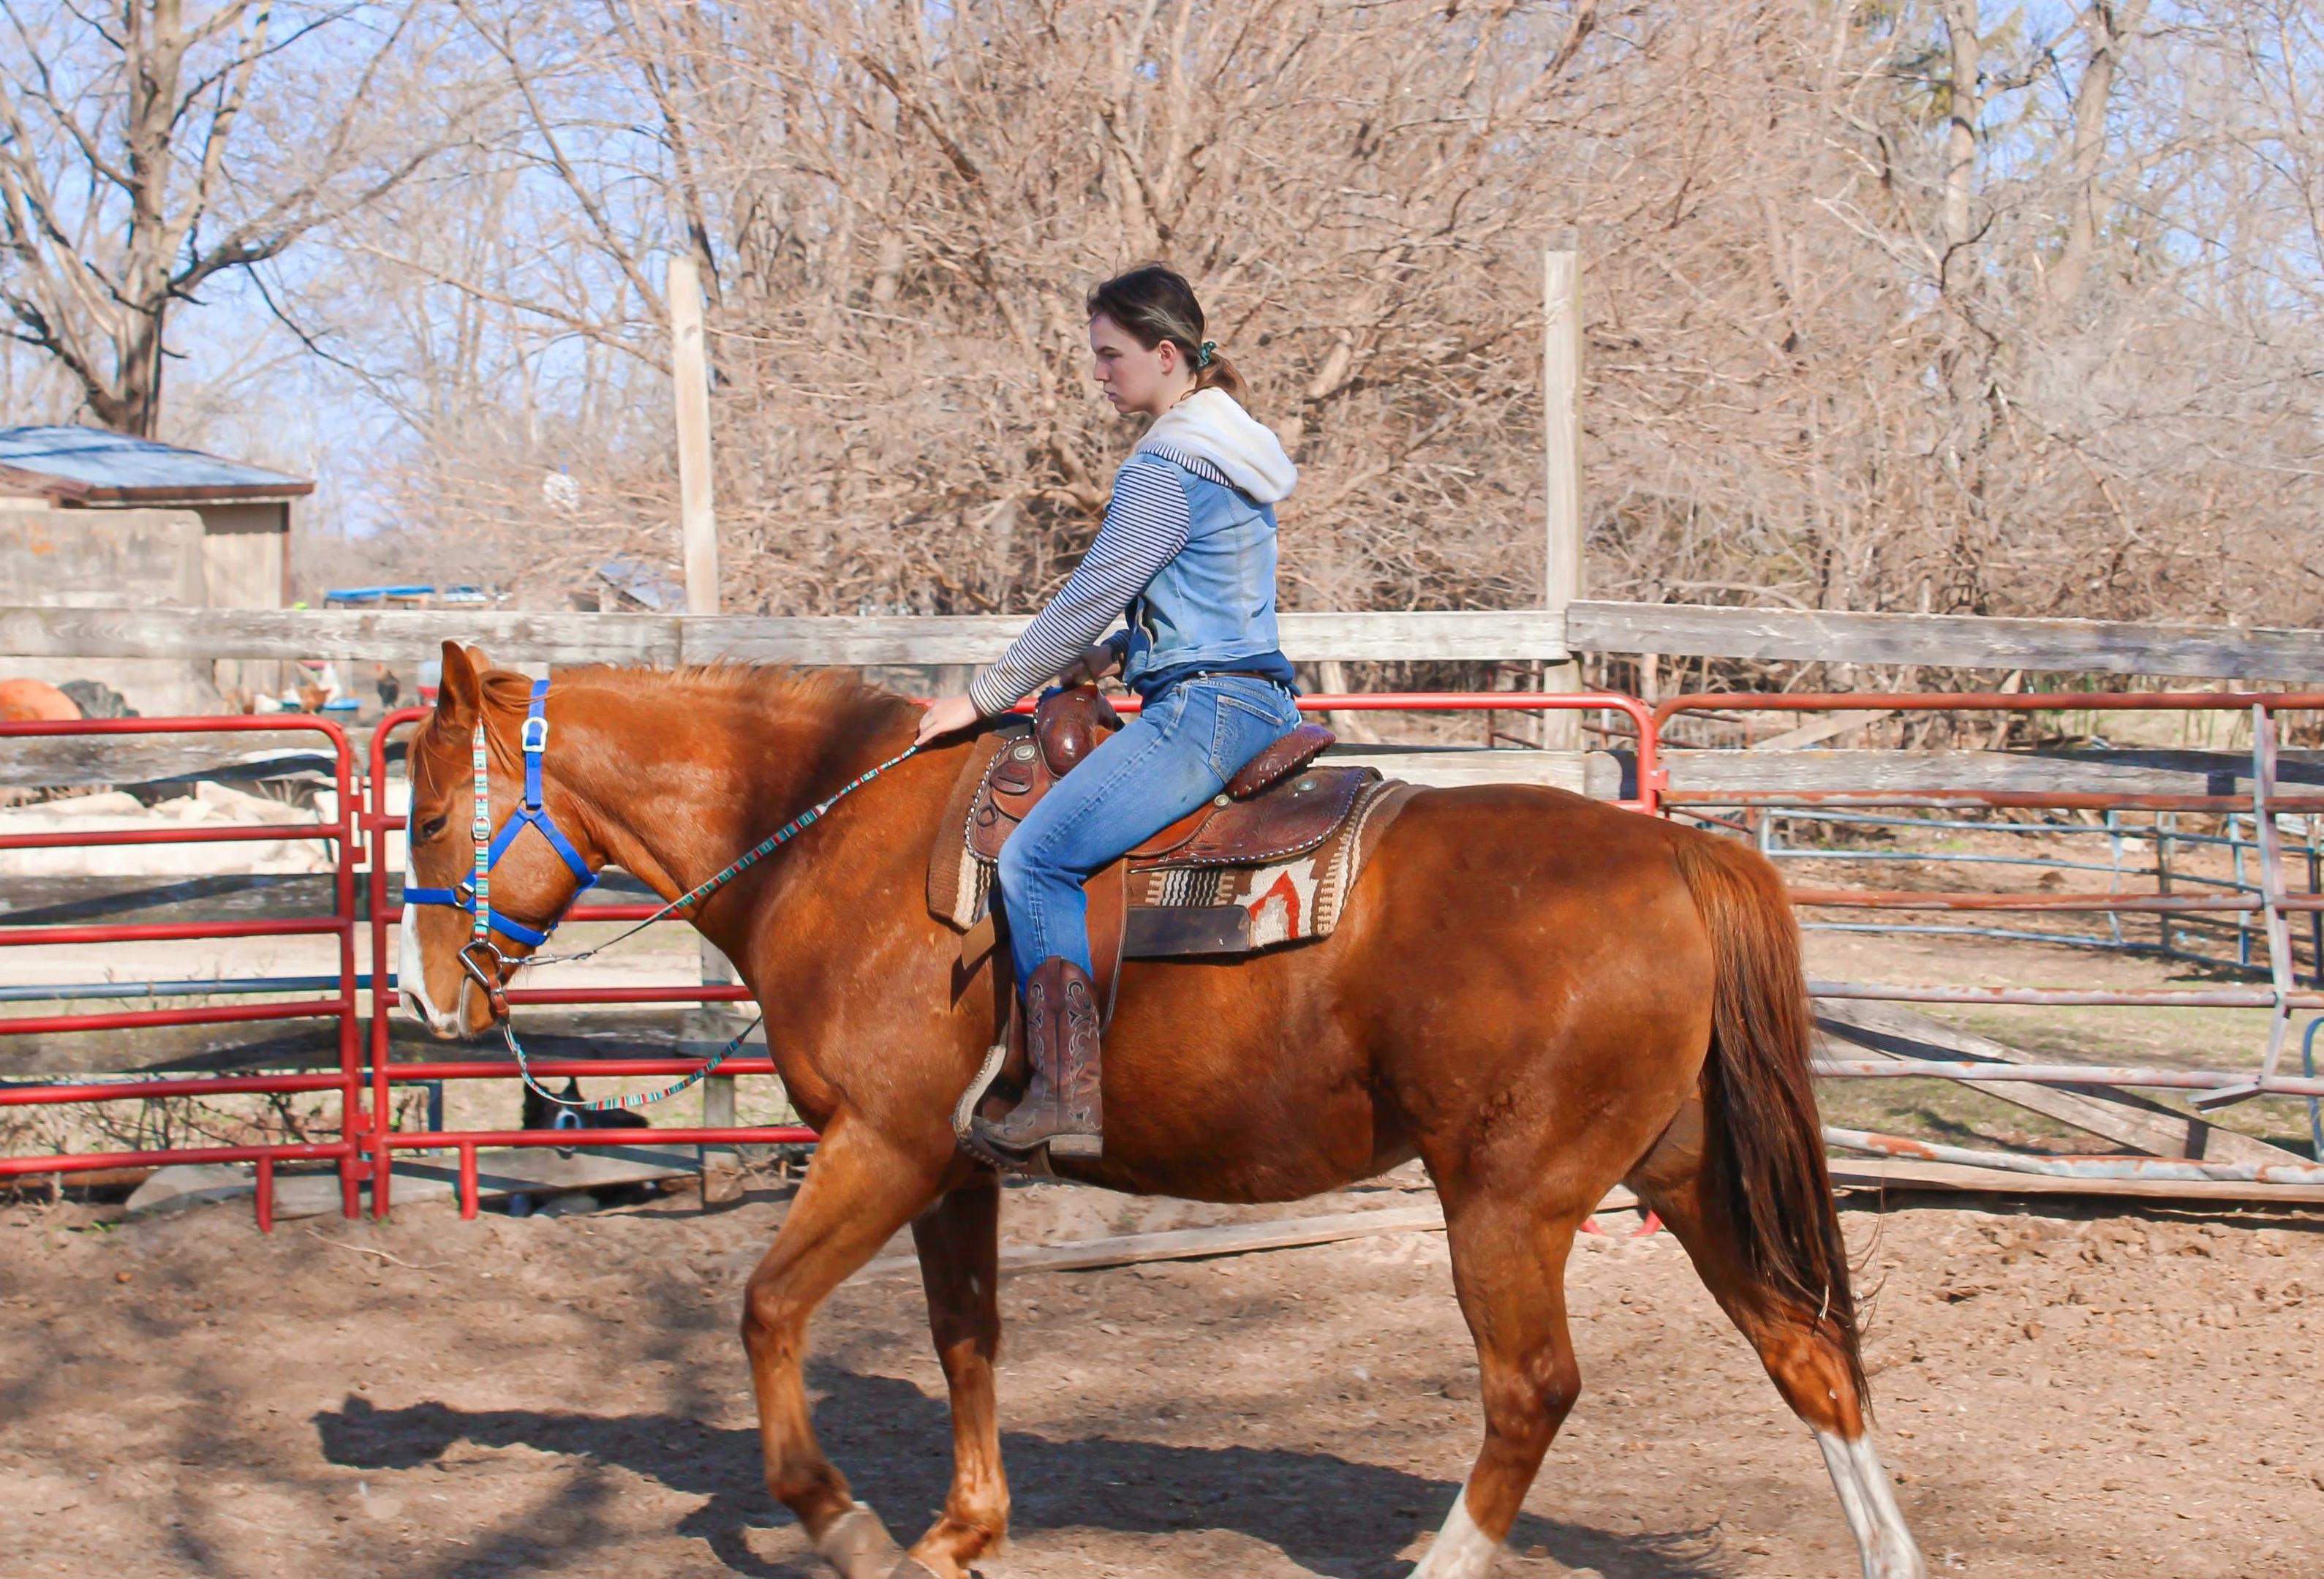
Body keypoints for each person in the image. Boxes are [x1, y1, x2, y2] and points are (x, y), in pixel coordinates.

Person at [915, 263, 1302, 1160]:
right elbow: (1217, 604)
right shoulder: (1236, 448)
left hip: (1204, 712)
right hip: (1260, 700)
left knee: (1037, 857)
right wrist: (1128, 652)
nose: (1098, 374)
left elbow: (1089, 596)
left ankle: (1064, 1092)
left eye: (1109, 355)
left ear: (1165, 354)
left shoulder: (1164, 465)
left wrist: (981, 696)